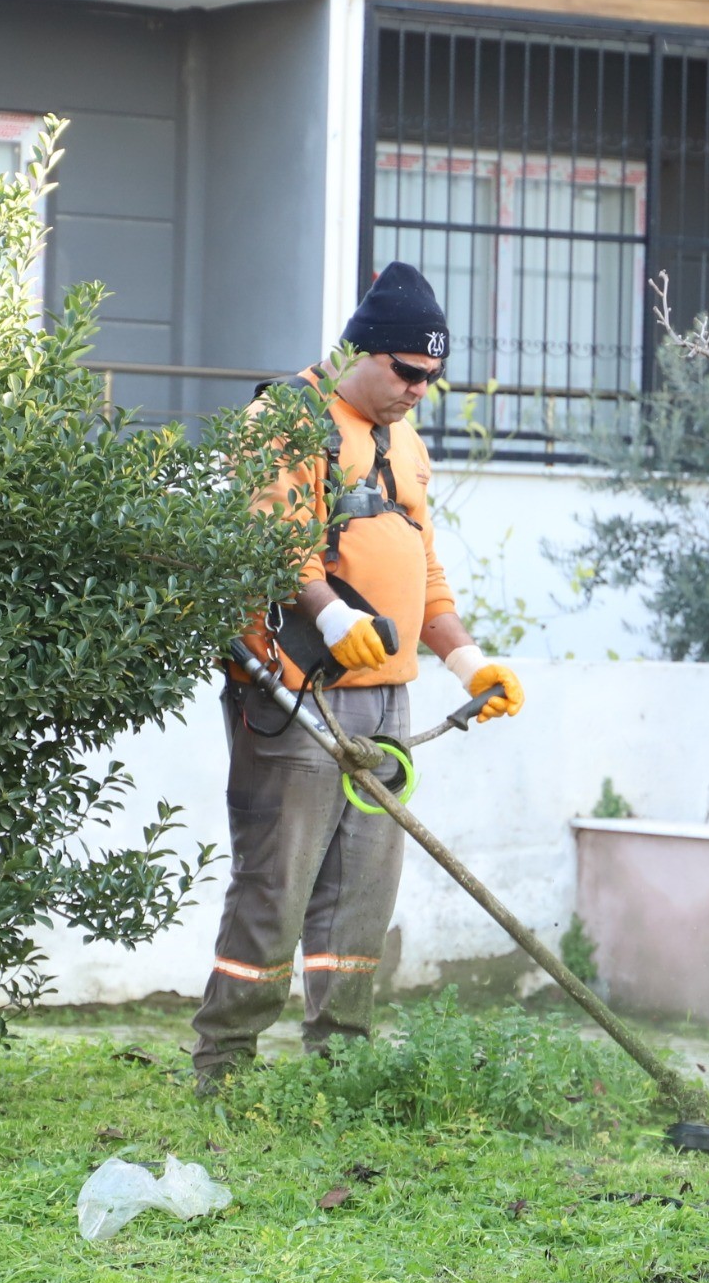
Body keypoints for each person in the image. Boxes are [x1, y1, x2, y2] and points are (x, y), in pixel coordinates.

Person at [188, 263, 524, 1089]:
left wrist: (465, 658)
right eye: (408, 374)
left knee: (361, 893)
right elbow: (274, 542)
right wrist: (331, 614)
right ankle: (222, 1066)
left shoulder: (405, 442)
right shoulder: (289, 420)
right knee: (278, 886)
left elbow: (425, 569)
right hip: (297, 695)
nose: (419, 391)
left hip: (387, 699)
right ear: (362, 353)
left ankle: (340, 1062)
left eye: (432, 379)